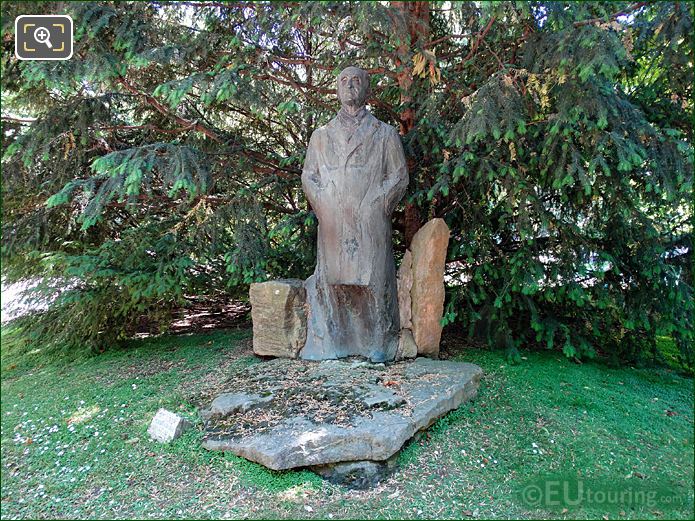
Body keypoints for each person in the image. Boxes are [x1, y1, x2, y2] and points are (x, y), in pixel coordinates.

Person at [301, 66, 408, 362]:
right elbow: (309, 176)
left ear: (366, 89)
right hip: (333, 221)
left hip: (370, 221)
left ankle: (379, 342)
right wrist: (323, 204)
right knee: (333, 281)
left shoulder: (384, 134)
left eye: (356, 81)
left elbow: (399, 176)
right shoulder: (321, 136)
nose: (350, 86)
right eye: (344, 81)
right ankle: (336, 341)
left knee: (373, 280)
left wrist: (378, 204)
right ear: (336, 88)